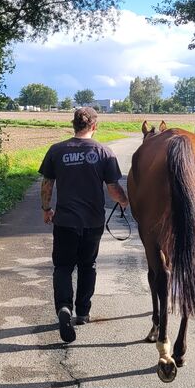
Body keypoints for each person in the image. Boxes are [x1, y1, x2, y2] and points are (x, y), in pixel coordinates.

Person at [39, 106, 129, 343]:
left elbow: (47, 184)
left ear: (73, 124)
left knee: (63, 267)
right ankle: (82, 312)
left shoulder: (57, 150)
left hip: (65, 222)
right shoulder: (103, 152)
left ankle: (64, 307)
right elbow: (113, 189)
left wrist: (46, 209)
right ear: (94, 126)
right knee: (88, 265)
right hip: (92, 222)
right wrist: (124, 202)